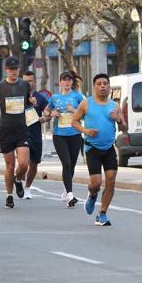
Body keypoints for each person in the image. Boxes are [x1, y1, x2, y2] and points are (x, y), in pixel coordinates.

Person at [72, 73, 127, 226]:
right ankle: (92, 194)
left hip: (109, 148)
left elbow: (125, 127)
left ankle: (102, 213)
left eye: (105, 83)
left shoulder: (115, 106)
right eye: (99, 84)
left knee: (111, 180)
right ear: (94, 87)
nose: (102, 86)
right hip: (92, 148)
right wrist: (85, 131)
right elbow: (74, 121)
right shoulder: (86, 104)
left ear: (109, 87)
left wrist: (118, 120)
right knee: (96, 183)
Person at [0, 56, 37, 209]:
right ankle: (9, 196)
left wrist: (33, 102)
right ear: (6, 70)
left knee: (23, 164)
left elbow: (28, 102)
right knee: (10, 165)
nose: (14, 72)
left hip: (21, 130)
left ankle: (18, 179)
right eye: (11, 69)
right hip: (5, 130)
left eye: (16, 69)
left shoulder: (24, 85)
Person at [44, 71, 85, 207]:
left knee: (71, 165)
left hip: (75, 134)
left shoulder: (78, 96)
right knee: (66, 163)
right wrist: (51, 113)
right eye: (64, 80)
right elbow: (45, 111)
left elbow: (86, 114)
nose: (67, 82)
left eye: (69, 80)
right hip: (59, 135)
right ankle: (70, 195)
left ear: (72, 82)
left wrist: (74, 111)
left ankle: (66, 189)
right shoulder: (55, 97)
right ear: (60, 82)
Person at [22, 71, 49, 199]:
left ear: (35, 82)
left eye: (30, 81)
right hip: (21, 135)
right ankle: (18, 178)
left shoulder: (40, 98)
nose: (28, 83)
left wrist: (45, 118)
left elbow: (48, 113)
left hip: (36, 135)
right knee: (24, 163)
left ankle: (27, 187)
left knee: (33, 164)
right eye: (25, 81)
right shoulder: (18, 96)